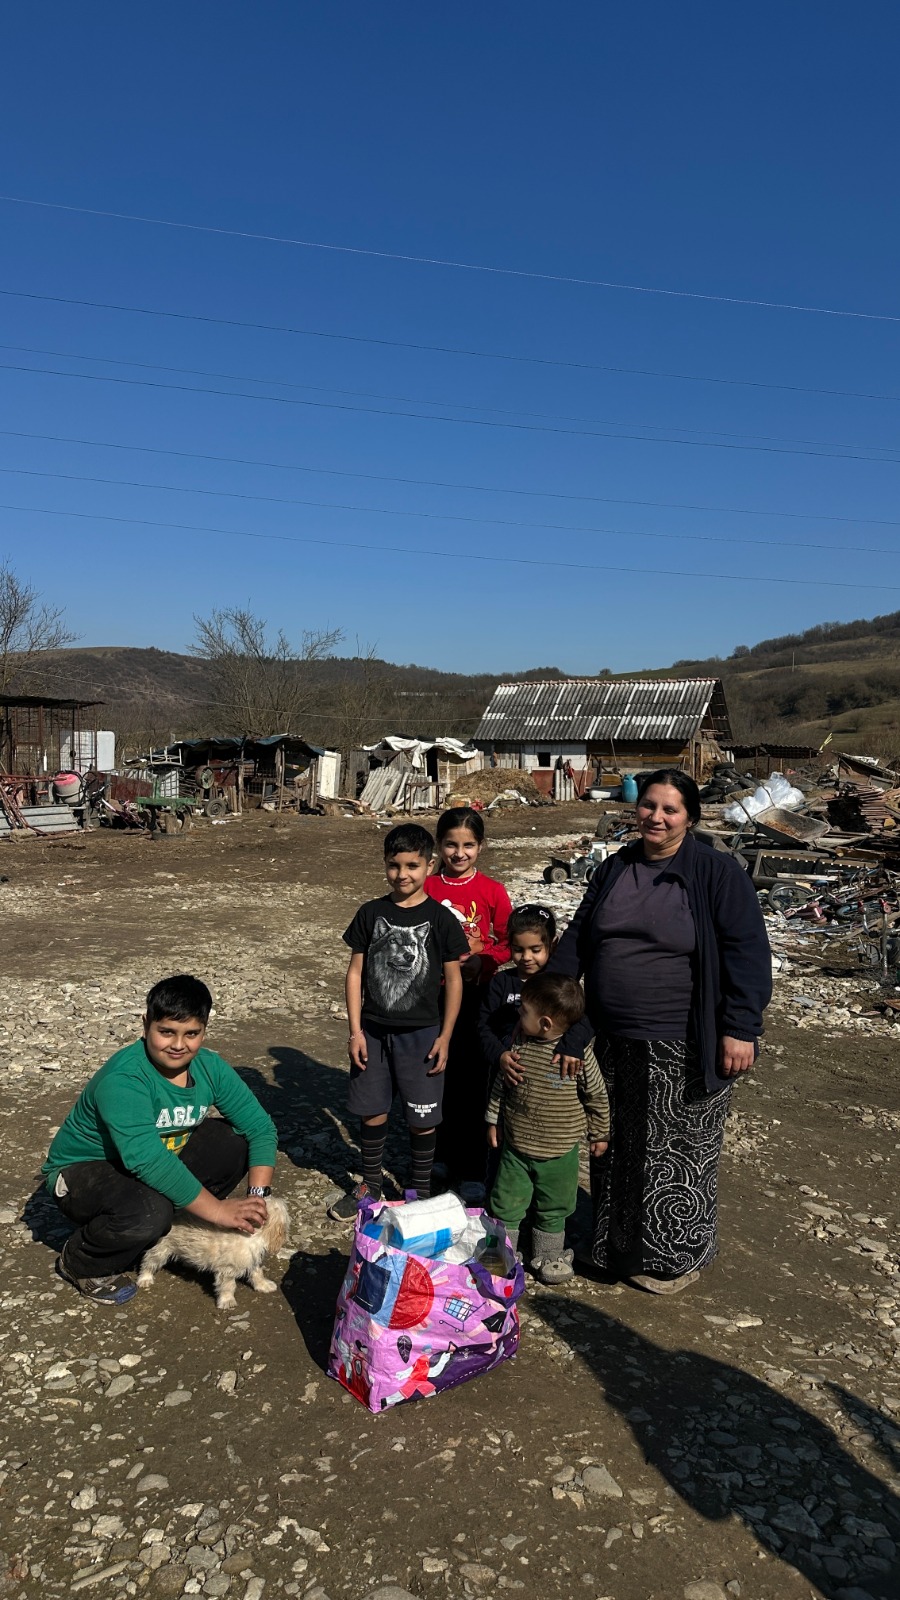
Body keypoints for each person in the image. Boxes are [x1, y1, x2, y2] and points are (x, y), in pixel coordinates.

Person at [546, 768, 771, 1294]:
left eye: (670, 809)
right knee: (617, 1145)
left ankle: (673, 1259)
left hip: (683, 1039)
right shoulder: (616, 868)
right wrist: (552, 1006)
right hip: (612, 1036)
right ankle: (614, 1249)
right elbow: (580, 935)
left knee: (676, 1153)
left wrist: (741, 1027)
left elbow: (747, 953)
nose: (656, 817)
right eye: (649, 805)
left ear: (689, 816)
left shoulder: (716, 873)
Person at [43, 974, 277, 1306]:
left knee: (232, 1141)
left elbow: (260, 1128)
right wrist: (219, 1211)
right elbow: (146, 1158)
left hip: (150, 1166)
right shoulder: (125, 1078)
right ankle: (81, 1260)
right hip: (84, 1173)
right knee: (149, 1212)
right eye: (166, 1031)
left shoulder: (209, 1067)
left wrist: (258, 1197)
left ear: (204, 1031)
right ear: (146, 1025)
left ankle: (172, 1221)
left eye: (191, 1034)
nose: (178, 1045)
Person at [330, 822, 467, 1220]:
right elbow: (355, 972)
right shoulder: (371, 913)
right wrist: (354, 1031)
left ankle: (419, 1192)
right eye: (394, 865)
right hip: (372, 1030)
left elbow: (453, 980)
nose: (402, 874)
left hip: (423, 1034)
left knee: (422, 1120)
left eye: (412, 865)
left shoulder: (441, 920)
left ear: (429, 865)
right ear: (385, 865)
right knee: (372, 1110)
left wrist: (445, 1036)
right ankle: (370, 1187)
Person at [486, 972, 609, 1285]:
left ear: (544, 1022)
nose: (518, 1014)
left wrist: (600, 1133)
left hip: (560, 1150)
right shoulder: (518, 1046)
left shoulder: (576, 1058)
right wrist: (492, 1120)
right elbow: (502, 1086)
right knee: (507, 1201)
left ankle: (549, 1255)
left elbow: (596, 1095)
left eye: (524, 1011)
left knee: (554, 1205)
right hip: (516, 1145)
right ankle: (503, 1251)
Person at [425, 806, 512, 1194]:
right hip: (435, 999)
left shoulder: (492, 891)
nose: (459, 854)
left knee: (476, 1081)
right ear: (439, 845)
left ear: (480, 846)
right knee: (438, 1074)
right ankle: (438, 1156)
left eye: (468, 845)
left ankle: (475, 1166)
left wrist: (485, 959)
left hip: (479, 1000)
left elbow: (509, 941)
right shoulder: (426, 888)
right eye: (450, 845)